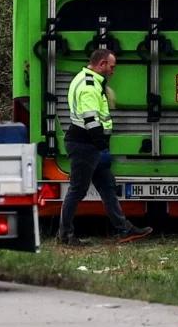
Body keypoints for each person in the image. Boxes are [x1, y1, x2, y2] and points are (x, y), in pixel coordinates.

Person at [59, 48, 153, 246]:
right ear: (101, 64)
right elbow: (91, 120)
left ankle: (124, 229)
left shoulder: (86, 78)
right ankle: (65, 236)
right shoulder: (89, 86)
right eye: (112, 66)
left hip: (88, 145)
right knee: (77, 190)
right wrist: (101, 145)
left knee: (107, 186)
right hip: (85, 144)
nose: (113, 70)